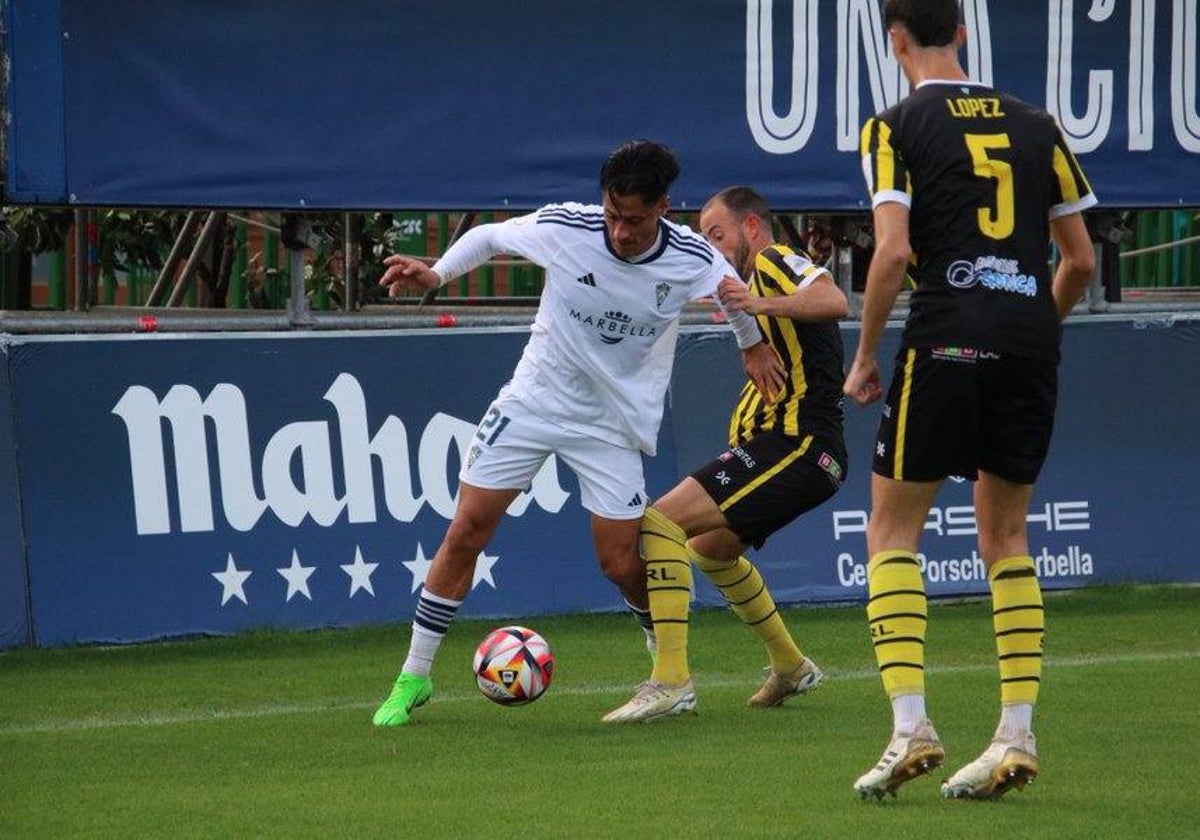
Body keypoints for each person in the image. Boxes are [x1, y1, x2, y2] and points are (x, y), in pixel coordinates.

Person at [372, 140, 784, 726]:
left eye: (634, 221)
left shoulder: (692, 257)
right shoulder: (568, 226)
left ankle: (664, 668)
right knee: (466, 528)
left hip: (611, 424)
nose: (619, 231)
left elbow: (730, 293)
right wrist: (436, 272)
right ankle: (413, 678)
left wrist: (753, 345)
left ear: (664, 207)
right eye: (613, 215)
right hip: (535, 401)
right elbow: (490, 238)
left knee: (620, 564)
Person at [843, 0, 1096, 800]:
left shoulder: (892, 127)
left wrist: (865, 354)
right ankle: (1016, 735)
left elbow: (892, 251)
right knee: (1008, 535)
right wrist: (1030, 329)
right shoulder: (1037, 124)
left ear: (894, 41)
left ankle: (911, 724)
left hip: (947, 333)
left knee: (891, 528)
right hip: (1029, 339)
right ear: (961, 32)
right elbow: (1082, 261)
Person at [603, 186, 850, 723]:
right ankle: (791, 666)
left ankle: (670, 680)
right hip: (792, 449)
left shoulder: (773, 260)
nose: (712, 247)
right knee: (712, 550)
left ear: (753, 228)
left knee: (658, 523)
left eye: (718, 234)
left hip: (799, 445)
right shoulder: (748, 280)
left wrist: (759, 303)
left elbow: (834, 301)